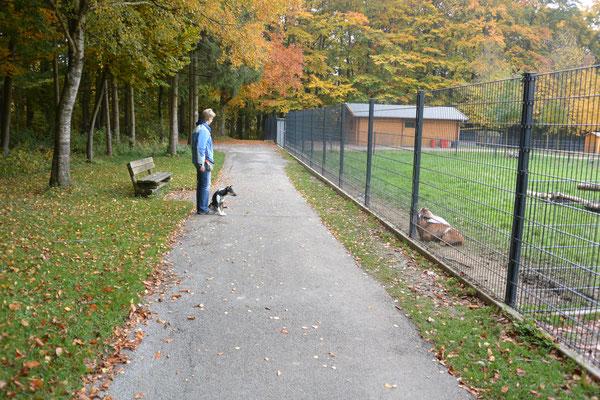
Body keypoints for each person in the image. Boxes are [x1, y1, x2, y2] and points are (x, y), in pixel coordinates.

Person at [192, 108, 216, 214]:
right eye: (212, 118)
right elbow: (200, 147)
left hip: (201, 161)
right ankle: (203, 208)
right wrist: (201, 163)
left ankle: (201, 207)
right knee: (205, 185)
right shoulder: (204, 130)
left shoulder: (198, 127)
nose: (212, 121)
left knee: (202, 184)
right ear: (209, 118)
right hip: (204, 162)